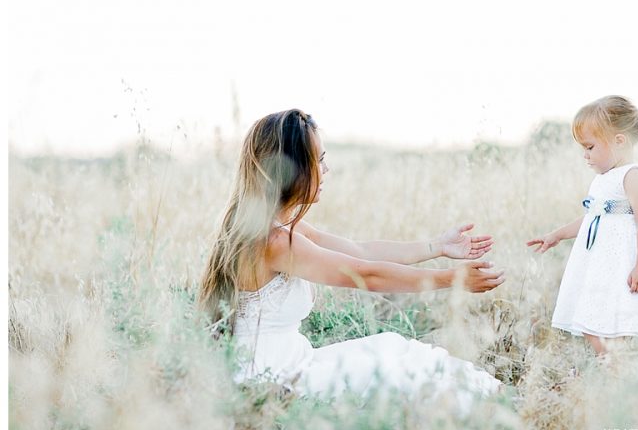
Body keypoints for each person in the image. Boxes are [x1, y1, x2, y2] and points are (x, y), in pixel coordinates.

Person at [198, 109, 505, 413]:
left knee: (394, 346)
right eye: (317, 160)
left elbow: (359, 252)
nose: (326, 169)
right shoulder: (272, 241)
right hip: (273, 381)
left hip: (296, 362)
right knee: (398, 374)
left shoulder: (279, 228)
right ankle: (496, 415)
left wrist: (437, 246)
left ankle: (504, 401)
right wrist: (451, 279)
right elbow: (365, 275)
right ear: (291, 169)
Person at [527, 95, 638, 358]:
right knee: (590, 315)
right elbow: (593, 218)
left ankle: (615, 365)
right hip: (598, 262)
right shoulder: (603, 179)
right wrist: (556, 235)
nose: (585, 156)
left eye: (590, 147)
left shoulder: (632, 177)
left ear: (619, 141)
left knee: (617, 317)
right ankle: (610, 361)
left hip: (623, 260)